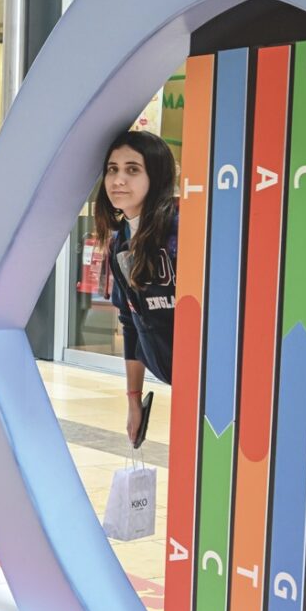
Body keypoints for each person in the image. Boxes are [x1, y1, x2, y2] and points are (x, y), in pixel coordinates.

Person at [94, 130, 177, 445]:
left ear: (155, 176)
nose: (118, 180)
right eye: (112, 169)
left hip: (216, 384)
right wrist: (133, 399)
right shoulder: (120, 243)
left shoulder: (180, 230)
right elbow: (131, 321)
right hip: (178, 380)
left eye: (132, 169)